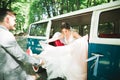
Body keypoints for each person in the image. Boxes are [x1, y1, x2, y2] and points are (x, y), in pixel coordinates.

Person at [0, 8, 44, 80]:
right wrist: (39, 61)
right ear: (7, 19)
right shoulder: (5, 34)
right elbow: (21, 56)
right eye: (14, 20)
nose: (15, 22)